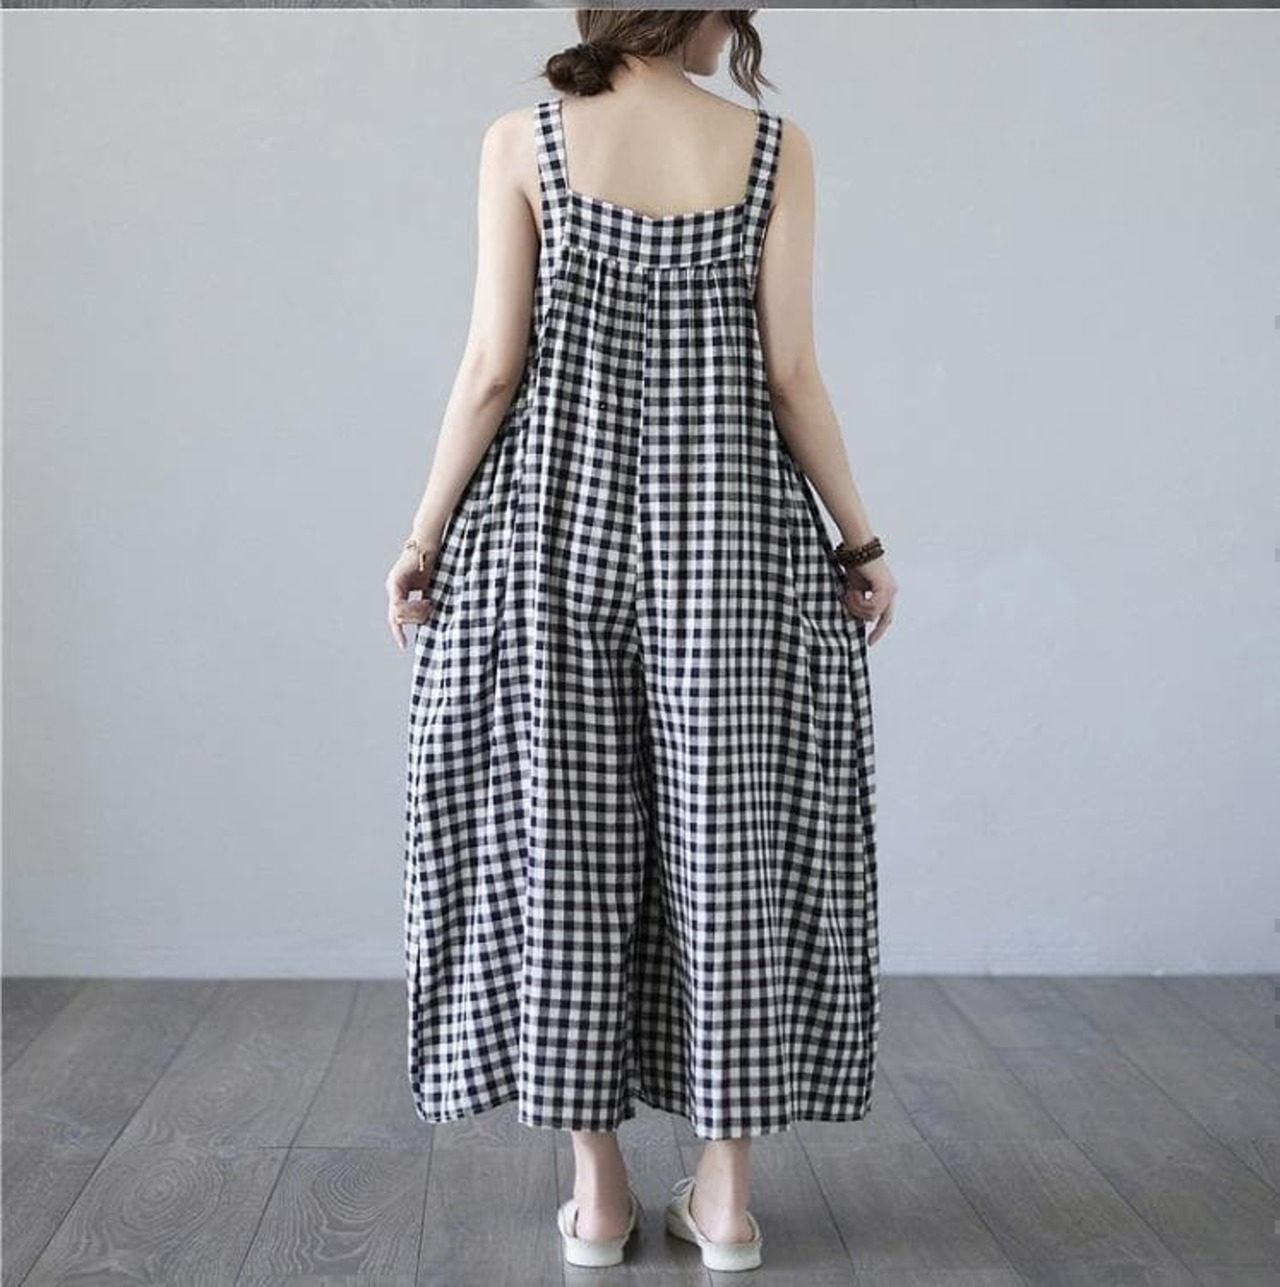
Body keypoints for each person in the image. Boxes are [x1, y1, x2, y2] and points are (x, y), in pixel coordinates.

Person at [385, 9, 898, 1273]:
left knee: (563, 845)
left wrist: (422, 536)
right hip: (728, 537)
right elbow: (790, 373)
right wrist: (860, 539)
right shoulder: (771, 151)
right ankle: (723, 1203)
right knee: (730, 843)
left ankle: (599, 1195)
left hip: (549, 534)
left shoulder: (524, 142)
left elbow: (490, 369)